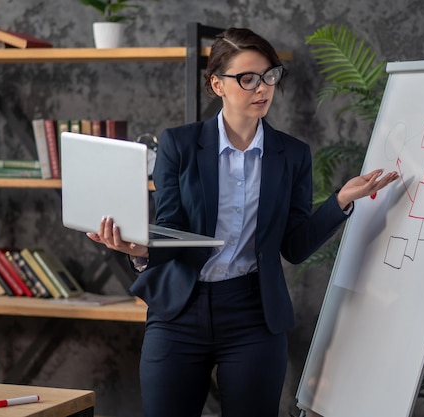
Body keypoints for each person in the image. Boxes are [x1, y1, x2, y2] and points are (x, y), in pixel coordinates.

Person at [87, 27, 398, 417]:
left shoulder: (292, 155)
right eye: (247, 78)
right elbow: (170, 225)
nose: (262, 88)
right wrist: (141, 250)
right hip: (181, 310)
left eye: (269, 75)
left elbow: (295, 246)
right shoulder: (179, 145)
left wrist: (340, 202)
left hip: (252, 314)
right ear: (217, 84)